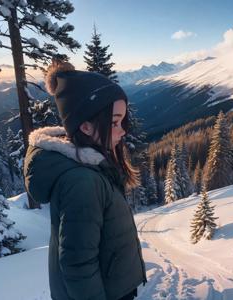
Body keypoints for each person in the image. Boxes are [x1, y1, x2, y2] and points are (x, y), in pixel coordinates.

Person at [24, 60, 147, 300]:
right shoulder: (82, 181)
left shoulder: (91, 168)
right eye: (114, 122)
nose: (123, 131)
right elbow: (77, 264)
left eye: (123, 121)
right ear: (86, 127)